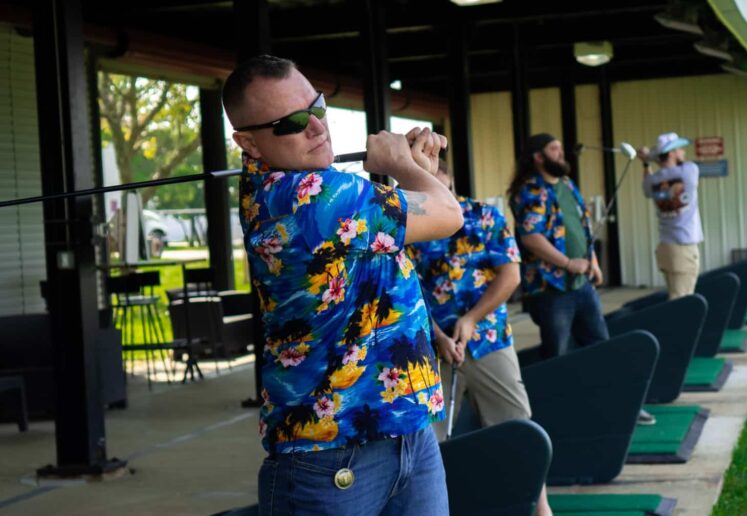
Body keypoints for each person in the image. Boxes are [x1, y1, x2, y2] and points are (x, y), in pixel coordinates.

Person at [225, 54, 463, 515]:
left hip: (403, 426)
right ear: (248, 143)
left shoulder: (321, 187)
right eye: (292, 122)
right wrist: (407, 169)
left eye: (317, 107)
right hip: (331, 457)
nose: (317, 127)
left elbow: (411, 216)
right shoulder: (302, 197)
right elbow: (447, 215)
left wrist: (412, 170)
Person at [405, 162, 552, 516]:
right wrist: (438, 334)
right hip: (430, 348)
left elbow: (511, 275)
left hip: (488, 339)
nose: (427, 191)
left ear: (449, 179)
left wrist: (471, 319)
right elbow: (406, 290)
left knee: (518, 427)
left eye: (433, 181)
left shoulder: (483, 216)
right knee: (427, 444)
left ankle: (541, 509)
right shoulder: (405, 225)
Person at [508, 134, 655, 426]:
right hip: (551, 288)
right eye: (554, 149)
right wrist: (567, 263)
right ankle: (560, 415)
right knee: (558, 354)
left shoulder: (566, 185)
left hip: (582, 284)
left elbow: (584, 226)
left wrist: (594, 264)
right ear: (538, 156)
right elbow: (531, 237)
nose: (561, 154)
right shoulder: (529, 190)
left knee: (601, 346)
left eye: (561, 148)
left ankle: (620, 404)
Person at [638, 132, 704, 299]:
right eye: (680, 149)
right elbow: (681, 166)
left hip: (666, 247)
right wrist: (652, 157)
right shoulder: (689, 170)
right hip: (683, 247)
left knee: (675, 295)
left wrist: (647, 161)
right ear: (672, 152)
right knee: (681, 301)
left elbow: (647, 189)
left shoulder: (652, 180)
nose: (683, 152)